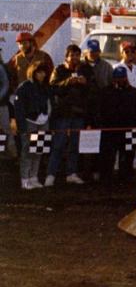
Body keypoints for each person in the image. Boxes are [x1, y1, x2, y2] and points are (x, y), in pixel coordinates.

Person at [46, 45, 92, 186]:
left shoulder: (84, 69)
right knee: (58, 145)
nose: (75, 58)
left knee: (74, 145)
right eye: (72, 55)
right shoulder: (59, 69)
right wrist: (67, 82)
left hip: (78, 113)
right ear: (66, 56)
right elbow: (52, 88)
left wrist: (86, 83)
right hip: (63, 114)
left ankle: (71, 173)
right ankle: (51, 175)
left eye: (77, 55)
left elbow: (93, 90)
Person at [97, 66, 136, 182]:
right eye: (117, 79)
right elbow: (99, 109)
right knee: (108, 155)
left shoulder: (133, 92)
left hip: (129, 128)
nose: (119, 81)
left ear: (126, 78)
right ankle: (106, 177)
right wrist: (102, 124)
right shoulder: (105, 91)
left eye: (122, 78)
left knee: (128, 155)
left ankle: (127, 176)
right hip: (110, 129)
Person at [13, 62, 52, 189]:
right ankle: (24, 179)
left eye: (43, 72)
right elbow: (18, 108)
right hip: (30, 122)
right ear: (33, 72)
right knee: (27, 152)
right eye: (39, 72)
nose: (42, 75)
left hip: (43, 122)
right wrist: (22, 127)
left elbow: (49, 104)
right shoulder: (25, 87)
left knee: (38, 151)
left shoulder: (45, 87)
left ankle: (33, 177)